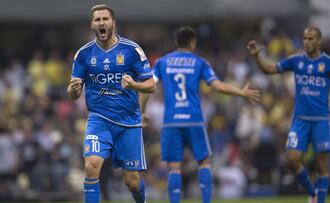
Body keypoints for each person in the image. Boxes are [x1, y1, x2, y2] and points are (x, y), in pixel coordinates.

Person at [141, 27, 260, 203]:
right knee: (204, 163)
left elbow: (148, 86)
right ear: (192, 43)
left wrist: (142, 111)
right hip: (194, 119)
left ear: (176, 43)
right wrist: (241, 92)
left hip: (171, 121)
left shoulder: (162, 62)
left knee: (174, 168)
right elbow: (218, 86)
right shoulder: (199, 62)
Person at [247, 26, 330, 203]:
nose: (307, 42)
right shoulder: (296, 60)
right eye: (304, 38)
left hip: (321, 120)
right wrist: (257, 56)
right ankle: (312, 193)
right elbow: (269, 69)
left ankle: (320, 201)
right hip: (300, 120)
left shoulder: (329, 63)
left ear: (318, 41)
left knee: (321, 165)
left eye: (311, 39)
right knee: (291, 160)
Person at [67, 4, 155, 203]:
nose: (101, 23)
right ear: (92, 24)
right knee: (91, 165)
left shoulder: (131, 50)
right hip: (99, 120)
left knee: (131, 181)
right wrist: (73, 91)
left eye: (105, 19)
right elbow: (73, 93)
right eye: (97, 20)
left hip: (128, 123)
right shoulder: (83, 54)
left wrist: (133, 84)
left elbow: (151, 85)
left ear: (113, 23)